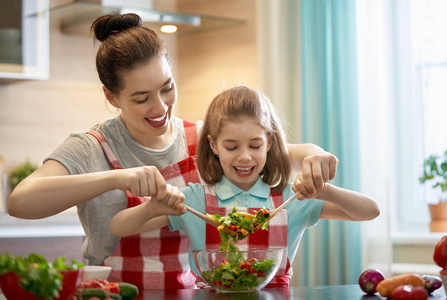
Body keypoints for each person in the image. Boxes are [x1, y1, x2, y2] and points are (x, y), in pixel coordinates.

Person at [7, 13, 338, 290]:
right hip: (116, 294)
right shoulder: (90, 147)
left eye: (167, 88)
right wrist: (116, 179)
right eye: (141, 98)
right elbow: (21, 201)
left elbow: (279, 151)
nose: (160, 106)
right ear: (111, 97)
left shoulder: (201, 138)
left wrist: (315, 153)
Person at [109, 85, 380, 288]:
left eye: (254, 145)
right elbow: (118, 227)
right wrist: (152, 208)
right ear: (214, 145)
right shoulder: (197, 198)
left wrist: (325, 191)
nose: (244, 157)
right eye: (231, 146)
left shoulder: (290, 197)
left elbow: (370, 211)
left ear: (270, 143)